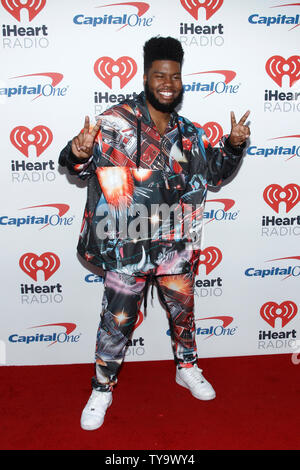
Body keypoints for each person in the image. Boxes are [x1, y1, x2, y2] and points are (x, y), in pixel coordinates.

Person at [59, 36, 250, 431]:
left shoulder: (189, 132)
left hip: (176, 247)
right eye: (160, 75)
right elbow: (76, 165)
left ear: (182, 82)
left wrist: (232, 147)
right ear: (146, 76)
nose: (168, 83)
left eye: (175, 77)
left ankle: (187, 367)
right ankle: (102, 387)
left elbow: (215, 174)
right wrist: (77, 152)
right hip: (125, 246)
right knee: (117, 319)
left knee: (183, 313)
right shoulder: (114, 122)